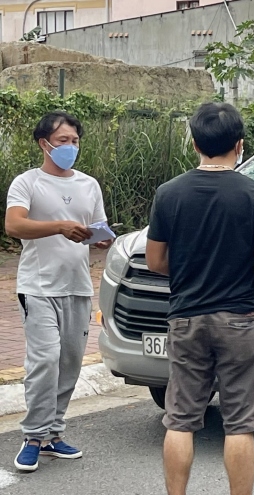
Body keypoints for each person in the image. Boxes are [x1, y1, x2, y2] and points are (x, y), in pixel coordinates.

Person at [145, 102, 254, 495]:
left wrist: (190, 272)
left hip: (186, 316)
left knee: (180, 418)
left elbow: (155, 260)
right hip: (239, 316)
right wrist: (241, 275)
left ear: (194, 144)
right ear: (240, 145)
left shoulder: (169, 193)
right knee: (240, 420)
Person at [5, 111, 113, 471]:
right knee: (45, 360)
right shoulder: (27, 183)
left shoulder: (88, 185)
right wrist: (60, 227)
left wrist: (97, 239)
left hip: (78, 286)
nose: (70, 147)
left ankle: (53, 434)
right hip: (37, 287)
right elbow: (14, 224)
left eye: (75, 141)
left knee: (69, 362)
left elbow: (97, 227)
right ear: (44, 144)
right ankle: (33, 437)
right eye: (63, 141)